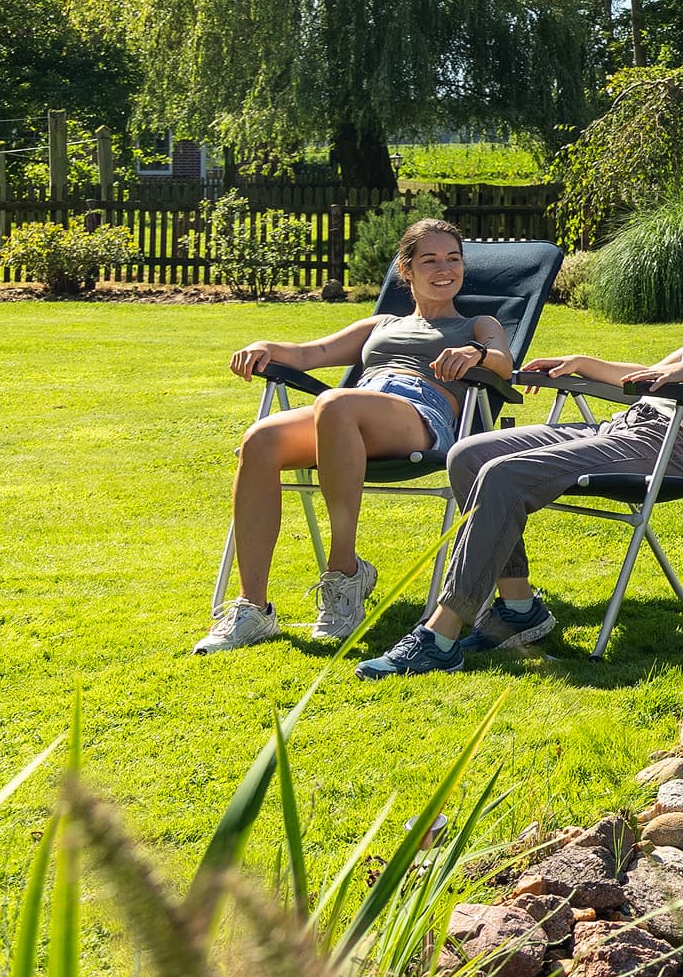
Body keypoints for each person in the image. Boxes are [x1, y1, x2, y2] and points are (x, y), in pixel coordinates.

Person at [355, 221, 683, 679]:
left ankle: (440, 636)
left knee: (505, 475)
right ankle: (517, 609)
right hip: (625, 426)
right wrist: (583, 361)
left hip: (671, 446)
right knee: (470, 454)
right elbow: (645, 377)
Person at [193, 218, 519, 655]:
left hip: (422, 414)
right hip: (353, 411)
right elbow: (312, 353)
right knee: (259, 440)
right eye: (430, 260)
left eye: (453, 259)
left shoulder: (478, 324)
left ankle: (344, 572)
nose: (445, 269)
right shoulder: (380, 324)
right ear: (406, 270)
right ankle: (253, 608)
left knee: (335, 403)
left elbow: (502, 359)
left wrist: (473, 353)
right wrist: (265, 346)